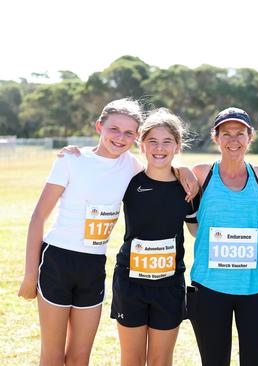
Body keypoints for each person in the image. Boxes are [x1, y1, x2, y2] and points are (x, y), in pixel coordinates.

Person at [17, 99, 144, 365]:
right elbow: (39, 216)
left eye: (129, 133)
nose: (120, 137)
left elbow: (162, 171)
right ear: (99, 126)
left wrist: (185, 173)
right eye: (114, 129)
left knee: (79, 357)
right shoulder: (71, 159)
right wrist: (30, 275)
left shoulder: (131, 166)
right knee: (52, 355)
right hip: (58, 260)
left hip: (94, 265)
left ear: (136, 137)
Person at [188, 107, 258, 366]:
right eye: (225, 133)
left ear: (250, 137)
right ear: (215, 138)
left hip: (255, 288)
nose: (233, 140)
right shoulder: (200, 173)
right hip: (209, 287)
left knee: (256, 361)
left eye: (240, 133)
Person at [110, 108, 201, 365]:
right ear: (141, 144)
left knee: (161, 361)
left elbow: (196, 232)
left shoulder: (189, 187)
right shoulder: (129, 180)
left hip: (169, 286)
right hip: (131, 283)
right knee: (132, 360)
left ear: (177, 146)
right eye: (152, 141)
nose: (159, 148)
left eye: (167, 142)